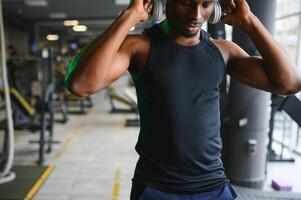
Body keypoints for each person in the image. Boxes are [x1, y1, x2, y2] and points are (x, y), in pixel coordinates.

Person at [64, 0, 301, 199]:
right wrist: (129, 16)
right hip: (157, 188)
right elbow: (81, 85)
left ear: (216, 8)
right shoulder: (140, 47)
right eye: (186, 2)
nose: (196, 14)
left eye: (205, 4)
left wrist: (249, 22)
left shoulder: (223, 51)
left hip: (213, 185)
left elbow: (289, 83)